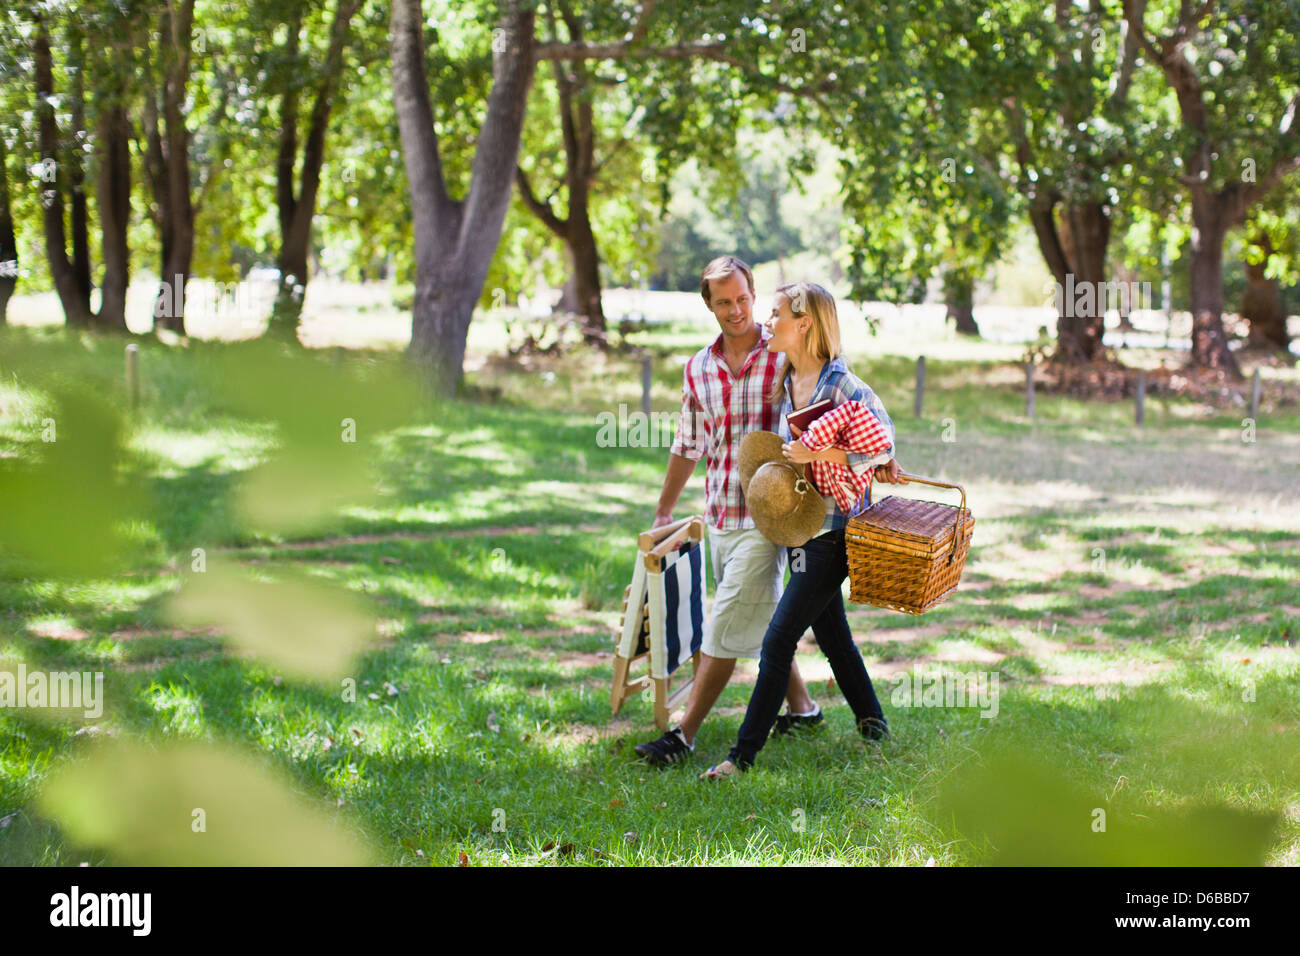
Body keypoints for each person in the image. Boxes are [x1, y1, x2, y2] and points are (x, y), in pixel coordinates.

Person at [634, 258, 882, 766]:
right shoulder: (708, 366)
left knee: (733, 623)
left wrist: (874, 452)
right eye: (724, 301)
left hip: (780, 519)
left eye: (745, 298)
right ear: (709, 304)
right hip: (724, 509)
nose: (739, 310)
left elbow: (858, 415)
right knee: (794, 623)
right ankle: (814, 711)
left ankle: (689, 737)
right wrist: (664, 507)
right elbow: (688, 441)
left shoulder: (787, 353)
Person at [699, 281, 908, 779]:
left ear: (805, 323)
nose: (768, 322)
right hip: (800, 529)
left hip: (834, 532)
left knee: (777, 642)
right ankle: (875, 728)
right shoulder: (787, 378)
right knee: (834, 638)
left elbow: (883, 444)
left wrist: (827, 454)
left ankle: (740, 758)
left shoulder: (841, 384)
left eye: (776, 315)